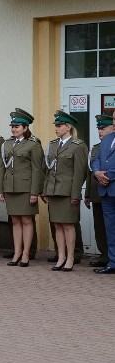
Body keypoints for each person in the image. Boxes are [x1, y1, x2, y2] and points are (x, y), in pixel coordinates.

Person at [41, 110, 88, 272]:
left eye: (59, 126)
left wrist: (76, 194)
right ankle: (60, 256)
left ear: (68, 127)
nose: (56, 128)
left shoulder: (78, 146)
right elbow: (48, 170)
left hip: (67, 192)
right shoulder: (53, 145)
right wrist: (45, 190)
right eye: (56, 125)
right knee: (57, 225)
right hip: (54, 191)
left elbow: (79, 173)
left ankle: (70, 257)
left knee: (68, 226)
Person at [0, 108, 43, 267]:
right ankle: (16, 252)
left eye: (17, 126)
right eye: (12, 126)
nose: (13, 129)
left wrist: (35, 192)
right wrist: (0, 189)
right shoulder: (7, 144)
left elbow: (37, 169)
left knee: (26, 220)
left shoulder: (33, 144)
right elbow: (1, 167)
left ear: (25, 128)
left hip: (26, 188)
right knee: (15, 220)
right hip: (10, 187)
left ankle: (25, 253)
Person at [86, 114, 114, 267]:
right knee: (101, 226)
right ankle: (105, 256)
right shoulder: (97, 147)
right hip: (99, 192)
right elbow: (90, 169)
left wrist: (106, 176)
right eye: (99, 129)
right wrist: (88, 193)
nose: (100, 131)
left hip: (111, 188)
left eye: (103, 128)